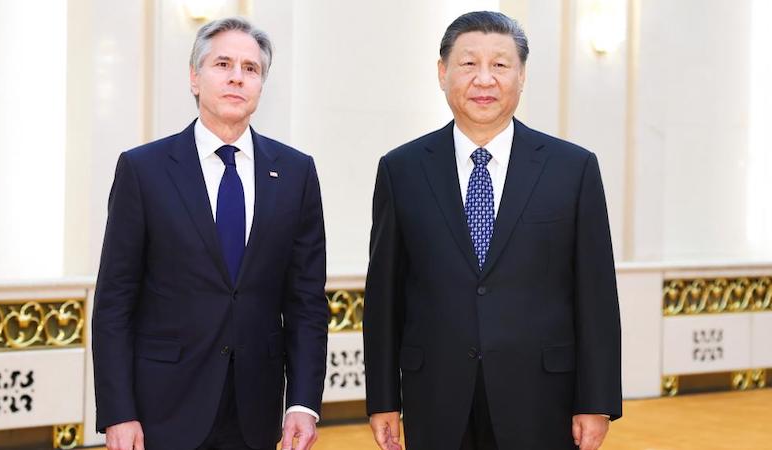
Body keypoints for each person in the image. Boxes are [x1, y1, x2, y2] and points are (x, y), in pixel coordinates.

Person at [363, 11, 622, 450]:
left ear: (521, 76)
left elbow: (596, 295)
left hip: (542, 400)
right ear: (442, 73)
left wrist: (596, 401)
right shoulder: (401, 170)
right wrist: (383, 399)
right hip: (436, 399)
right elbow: (384, 296)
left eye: (500, 65)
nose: (484, 79)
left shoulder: (572, 169)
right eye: (468, 64)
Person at [92, 17, 327, 450]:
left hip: (256, 411)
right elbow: (114, 302)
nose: (238, 76)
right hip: (161, 409)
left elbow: (307, 303)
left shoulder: (296, 173)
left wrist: (303, 403)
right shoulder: (143, 170)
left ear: (261, 84)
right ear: (195, 77)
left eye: (251, 69)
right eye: (223, 64)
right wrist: (118, 411)